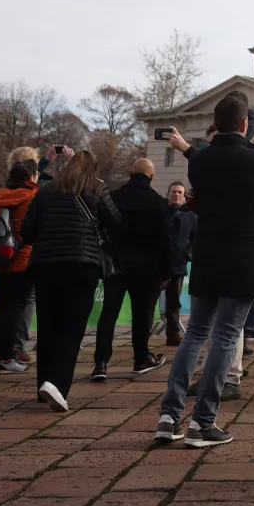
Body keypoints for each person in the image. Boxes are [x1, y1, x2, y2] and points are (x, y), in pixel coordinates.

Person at [155, 93, 254, 448]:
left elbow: (199, 167)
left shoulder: (201, 161)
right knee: (224, 337)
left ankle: (169, 415)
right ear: (246, 125)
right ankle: (203, 422)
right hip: (243, 258)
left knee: (195, 334)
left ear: (216, 124)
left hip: (207, 256)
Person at [19, 150, 119, 412]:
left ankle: (43, 385)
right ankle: (57, 386)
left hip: (45, 266)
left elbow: (26, 231)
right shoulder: (97, 189)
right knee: (71, 328)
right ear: (93, 169)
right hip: (82, 266)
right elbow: (117, 223)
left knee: (49, 326)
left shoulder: (46, 190)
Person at [92, 159, 171, 380]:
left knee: (109, 313)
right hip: (146, 268)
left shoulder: (115, 198)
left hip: (116, 264)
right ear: (152, 176)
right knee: (142, 313)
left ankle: (101, 363)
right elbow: (164, 241)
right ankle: (141, 358)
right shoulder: (157, 202)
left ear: (129, 173)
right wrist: (165, 273)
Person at [0, 150, 41, 373]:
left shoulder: (2, 196)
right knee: (15, 310)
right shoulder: (33, 197)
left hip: (4, 257)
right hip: (24, 259)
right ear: (31, 177)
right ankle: (7, 358)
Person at [163, 181, 195, 346]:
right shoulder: (160, 213)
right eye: (174, 192)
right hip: (158, 264)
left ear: (184, 197)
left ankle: (172, 334)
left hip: (178, 264)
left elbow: (195, 239)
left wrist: (187, 253)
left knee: (174, 302)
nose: (176, 195)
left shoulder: (190, 216)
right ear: (168, 194)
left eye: (180, 193)